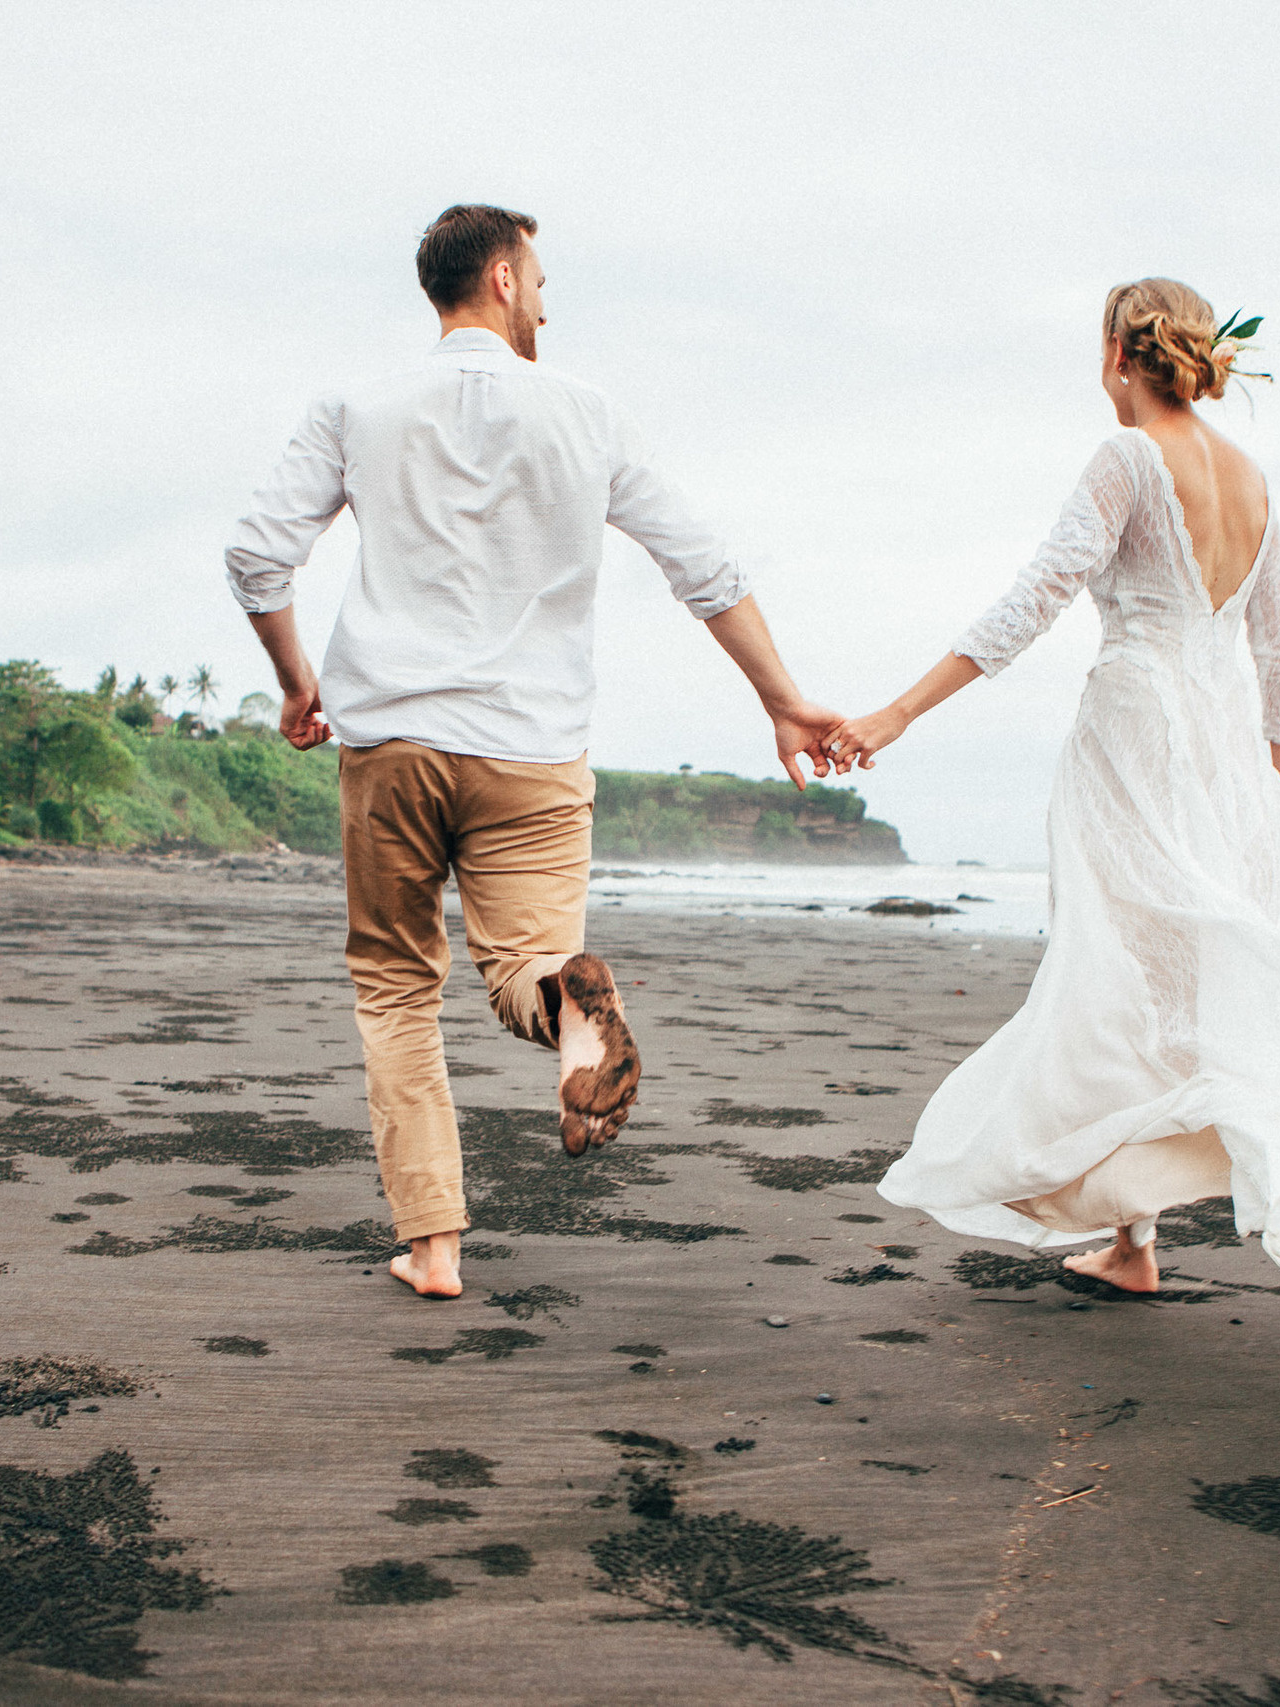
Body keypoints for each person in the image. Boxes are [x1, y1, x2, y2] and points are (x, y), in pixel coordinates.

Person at [825, 279, 1280, 1417]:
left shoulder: (1127, 459)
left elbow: (1033, 601)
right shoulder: (1253, 479)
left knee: (1126, 985)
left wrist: (893, 714)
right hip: (1225, 753)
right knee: (1215, 976)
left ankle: (1195, 1222)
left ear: (1117, 351)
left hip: (1136, 742)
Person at [225, 204, 842, 1302]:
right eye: (542, 283)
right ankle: (571, 1004)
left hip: (392, 740)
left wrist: (294, 682)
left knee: (397, 991)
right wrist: (782, 701)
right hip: (534, 750)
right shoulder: (588, 414)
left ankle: (433, 1247)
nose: (547, 308)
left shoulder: (355, 408)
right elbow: (703, 566)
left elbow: (255, 557)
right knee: (523, 967)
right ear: (503, 277)